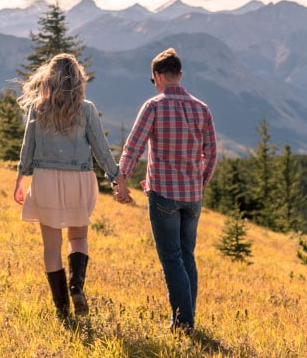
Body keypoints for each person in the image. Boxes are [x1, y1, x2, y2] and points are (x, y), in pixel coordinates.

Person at [114, 47, 217, 332]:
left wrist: (120, 179)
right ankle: (185, 319)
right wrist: (199, 182)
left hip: (164, 195)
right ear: (180, 75)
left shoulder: (153, 106)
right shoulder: (202, 109)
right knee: (187, 256)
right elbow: (212, 154)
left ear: (158, 76)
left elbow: (133, 146)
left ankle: (184, 323)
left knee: (172, 258)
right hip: (193, 197)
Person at [14, 52, 120, 321]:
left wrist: (20, 177)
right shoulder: (86, 109)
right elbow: (101, 149)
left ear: (49, 79)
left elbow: (28, 148)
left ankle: (62, 311)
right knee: (78, 238)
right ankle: (76, 287)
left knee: (51, 247)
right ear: (78, 81)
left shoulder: (38, 109)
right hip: (79, 179)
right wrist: (116, 177)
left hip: (46, 180)